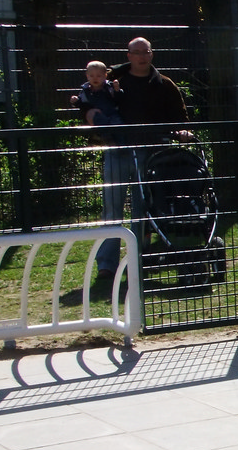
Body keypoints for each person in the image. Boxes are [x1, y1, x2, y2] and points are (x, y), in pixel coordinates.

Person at [78, 37, 190, 280]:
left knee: (142, 209)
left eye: (145, 52)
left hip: (150, 153)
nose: (141, 56)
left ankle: (138, 259)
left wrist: (182, 132)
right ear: (128, 55)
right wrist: (88, 113)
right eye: (136, 52)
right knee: (112, 207)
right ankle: (106, 265)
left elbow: (180, 118)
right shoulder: (112, 80)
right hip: (117, 148)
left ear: (151, 54)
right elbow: (88, 98)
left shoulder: (164, 84)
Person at [73, 61, 122, 127]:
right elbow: (83, 104)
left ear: (105, 76)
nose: (95, 78)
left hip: (112, 114)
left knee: (117, 125)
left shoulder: (109, 87)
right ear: (87, 76)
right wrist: (76, 101)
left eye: (98, 76)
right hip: (97, 116)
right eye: (91, 76)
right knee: (98, 122)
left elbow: (119, 99)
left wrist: (117, 90)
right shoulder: (86, 90)